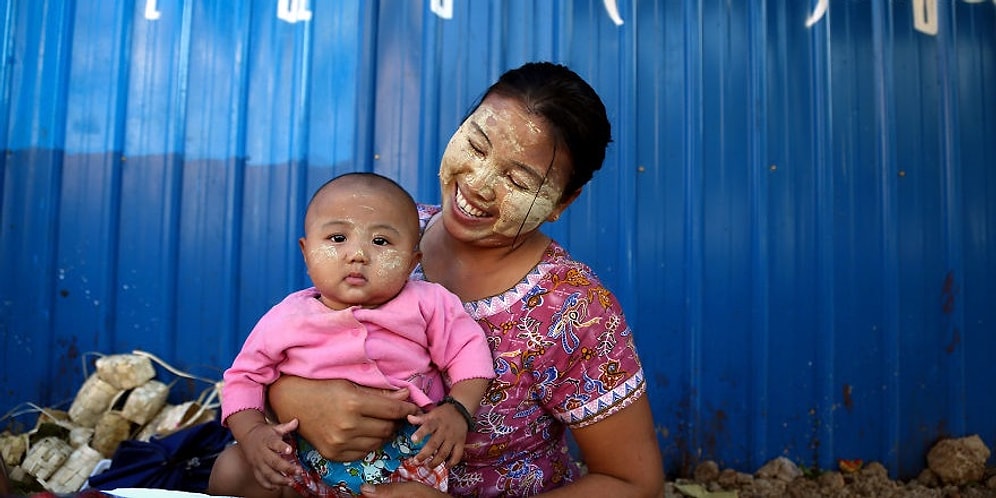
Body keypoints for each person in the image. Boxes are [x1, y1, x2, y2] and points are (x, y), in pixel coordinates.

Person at [269, 61, 665, 497]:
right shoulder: (385, 236)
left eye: (518, 179)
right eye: (476, 146)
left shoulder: (574, 313)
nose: (478, 184)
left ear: (563, 202)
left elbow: (633, 482)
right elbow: (289, 344)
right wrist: (290, 398)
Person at [208, 173, 495, 497]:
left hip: (405, 460)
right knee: (231, 470)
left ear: (412, 262)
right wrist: (252, 435)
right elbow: (244, 377)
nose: (357, 254)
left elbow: (469, 350)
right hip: (303, 457)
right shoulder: (286, 318)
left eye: (381, 242)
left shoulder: (427, 302)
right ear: (306, 252)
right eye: (337, 238)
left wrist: (458, 409)